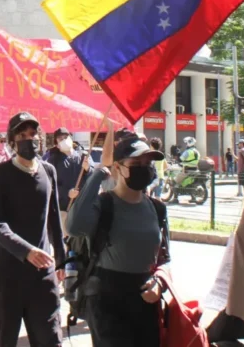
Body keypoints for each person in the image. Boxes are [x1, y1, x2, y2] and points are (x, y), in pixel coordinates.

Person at [67, 127, 169, 346]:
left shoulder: (157, 208)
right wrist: (97, 175)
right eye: (136, 163)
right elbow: (74, 227)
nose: (144, 169)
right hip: (108, 304)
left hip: (145, 302)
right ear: (117, 168)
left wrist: (159, 282)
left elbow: (165, 258)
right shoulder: (104, 204)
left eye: (147, 164)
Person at [0, 112, 66, 347]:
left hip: (42, 274)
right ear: (12, 141)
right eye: (22, 135)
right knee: (4, 339)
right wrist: (26, 251)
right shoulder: (0, 174)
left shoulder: (48, 171)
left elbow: (54, 219)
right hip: (8, 274)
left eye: (32, 134)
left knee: (50, 338)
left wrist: (61, 259)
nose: (29, 140)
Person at [43, 127, 88, 231]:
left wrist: (88, 168)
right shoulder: (52, 160)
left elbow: (91, 178)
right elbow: (49, 185)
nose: (64, 140)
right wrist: (66, 193)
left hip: (81, 205)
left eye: (66, 137)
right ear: (57, 144)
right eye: (60, 139)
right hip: (62, 207)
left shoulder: (83, 156)